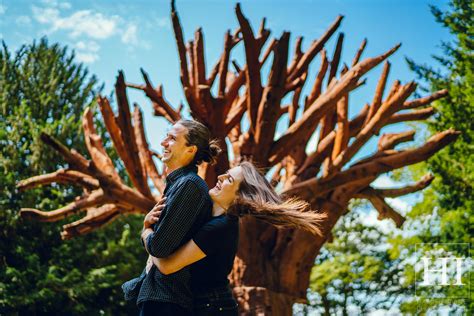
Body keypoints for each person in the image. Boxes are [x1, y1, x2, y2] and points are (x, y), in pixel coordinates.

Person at [144, 161, 327, 315]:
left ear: (239, 196)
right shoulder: (206, 214)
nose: (220, 178)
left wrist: (147, 231)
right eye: (224, 174)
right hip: (198, 304)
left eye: (229, 179)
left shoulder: (220, 227)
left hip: (213, 308)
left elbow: (167, 266)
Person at [122, 119, 221, 315]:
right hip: (159, 299)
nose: (163, 142)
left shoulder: (189, 185)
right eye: (166, 136)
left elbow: (159, 247)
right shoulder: (179, 185)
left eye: (172, 138)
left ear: (190, 150)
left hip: (167, 302)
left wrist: (146, 229)